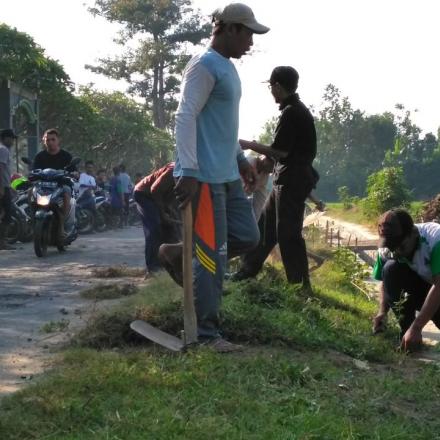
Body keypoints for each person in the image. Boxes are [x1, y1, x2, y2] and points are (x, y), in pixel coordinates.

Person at [159, 3, 269, 352]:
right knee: (212, 256)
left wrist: (240, 160)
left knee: (248, 236)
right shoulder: (204, 66)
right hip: (204, 178)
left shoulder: (228, 69)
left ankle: (179, 253)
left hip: (227, 176)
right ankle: (206, 336)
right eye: (248, 33)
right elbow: (185, 117)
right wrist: (188, 170)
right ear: (229, 29)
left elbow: (223, 126)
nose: (251, 42)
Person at [233, 66, 318, 288]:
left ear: (278, 87)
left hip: (293, 180)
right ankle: (247, 270)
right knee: (265, 227)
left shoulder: (292, 112)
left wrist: (249, 145)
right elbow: (283, 153)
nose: (271, 91)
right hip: (286, 178)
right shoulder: (294, 110)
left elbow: (281, 152)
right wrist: (262, 165)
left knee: (288, 234)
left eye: (272, 87)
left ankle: (299, 285)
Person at [372, 208, 440, 351]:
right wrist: (382, 312)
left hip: (436, 286)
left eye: (400, 246)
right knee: (391, 268)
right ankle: (407, 337)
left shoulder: (435, 239)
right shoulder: (387, 248)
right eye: (392, 246)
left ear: (413, 233)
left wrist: (417, 327)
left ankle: (413, 332)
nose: (396, 251)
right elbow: (385, 281)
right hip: (427, 286)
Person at [134, 162, 180, 278]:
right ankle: (153, 269)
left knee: (170, 229)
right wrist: (163, 213)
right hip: (144, 194)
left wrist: (170, 211)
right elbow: (155, 190)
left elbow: (172, 196)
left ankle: (170, 265)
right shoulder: (173, 170)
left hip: (159, 198)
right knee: (154, 228)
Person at [32, 128, 76, 235]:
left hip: (61, 186)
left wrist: (74, 173)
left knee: (66, 193)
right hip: (43, 186)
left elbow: (74, 171)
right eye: (48, 140)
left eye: (53, 139)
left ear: (58, 140)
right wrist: (31, 175)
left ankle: (61, 225)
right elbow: (33, 171)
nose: (50, 142)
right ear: (44, 141)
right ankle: (33, 220)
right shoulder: (40, 156)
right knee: (30, 192)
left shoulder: (66, 156)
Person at [0, 128, 17, 250]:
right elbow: (0, 168)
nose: (12, 141)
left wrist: (10, 186)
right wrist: (2, 188)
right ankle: (2, 242)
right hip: (2, 187)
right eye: (11, 138)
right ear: (5, 138)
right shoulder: (3, 150)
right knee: (7, 213)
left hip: (5, 186)